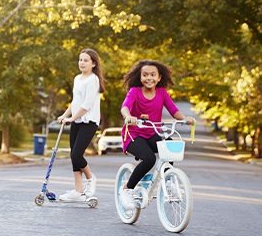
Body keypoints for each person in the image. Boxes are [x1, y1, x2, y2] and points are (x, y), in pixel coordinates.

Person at [118, 60, 195, 210]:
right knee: (149, 158)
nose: (149, 78)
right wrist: (129, 117)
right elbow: (125, 106)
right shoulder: (135, 91)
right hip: (133, 134)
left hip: (151, 133)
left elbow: (173, 111)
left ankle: (168, 181)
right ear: (140, 77)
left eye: (153, 75)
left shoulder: (162, 93)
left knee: (170, 145)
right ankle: (127, 189)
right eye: (145, 75)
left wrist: (184, 119)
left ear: (159, 77)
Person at [56, 49, 105, 201]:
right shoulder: (77, 78)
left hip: (88, 122)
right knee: (73, 156)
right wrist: (65, 115)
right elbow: (75, 102)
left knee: (77, 154)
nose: (82, 63)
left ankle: (90, 178)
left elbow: (87, 105)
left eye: (85, 60)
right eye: (80, 60)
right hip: (76, 121)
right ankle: (78, 191)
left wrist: (71, 118)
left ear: (93, 63)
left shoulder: (94, 80)